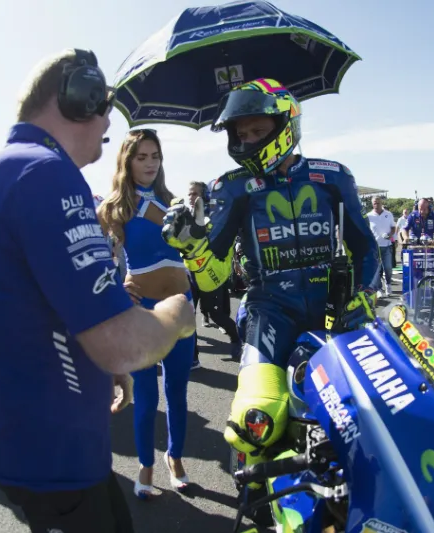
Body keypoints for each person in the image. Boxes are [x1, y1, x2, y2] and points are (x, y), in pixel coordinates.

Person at [0, 48, 195, 533]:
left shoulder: (11, 168)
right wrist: (178, 314)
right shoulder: (45, 173)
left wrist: (101, 364)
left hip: (42, 450)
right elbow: (122, 344)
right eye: (104, 104)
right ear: (79, 99)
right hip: (55, 462)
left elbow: (39, 303)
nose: (109, 119)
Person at [162, 78, 379, 494]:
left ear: (287, 124)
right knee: (253, 420)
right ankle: (257, 503)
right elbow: (214, 278)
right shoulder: (230, 186)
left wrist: (365, 296)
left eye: (257, 131)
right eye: (240, 134)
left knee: (370, 413)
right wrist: (192, 248)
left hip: (337, 314)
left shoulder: (333, 176)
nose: (246, 141)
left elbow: (366, 248)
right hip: (269, 313)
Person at [97, 129, 196, 496]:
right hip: (142, 312)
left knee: (177, 390)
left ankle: (175, 457)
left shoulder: (174, 202)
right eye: (142, 157)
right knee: (146, 393)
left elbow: (196, 249)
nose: (150, 163)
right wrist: (116, 285)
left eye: (155, 156)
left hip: (181, 307)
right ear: (127, 161)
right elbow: (98, 261)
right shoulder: (113, 208)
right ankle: (145, 466)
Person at [186, 180, 241, 358]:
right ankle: (193, 356)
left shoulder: (216, 218)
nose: (191, 197)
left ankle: (236, 340)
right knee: (188, 315)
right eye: (189, 194)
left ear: (204, 196)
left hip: (211, 274)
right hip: (190, 274)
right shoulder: (186, 216)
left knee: (216, 314)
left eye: (195, 194)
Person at [366, 196, 396, 298]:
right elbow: (366, 230)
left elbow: (393, 227)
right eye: (375, 203)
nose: (376, 204)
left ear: (381, 203)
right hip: (374, 247)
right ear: (372, 204)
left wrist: (390, 235)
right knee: (377, 270)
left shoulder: (388, 214)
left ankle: (388, 284)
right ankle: (379, 289)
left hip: (386, 246)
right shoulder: (369, 216)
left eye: (378, 202)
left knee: (388, 268)